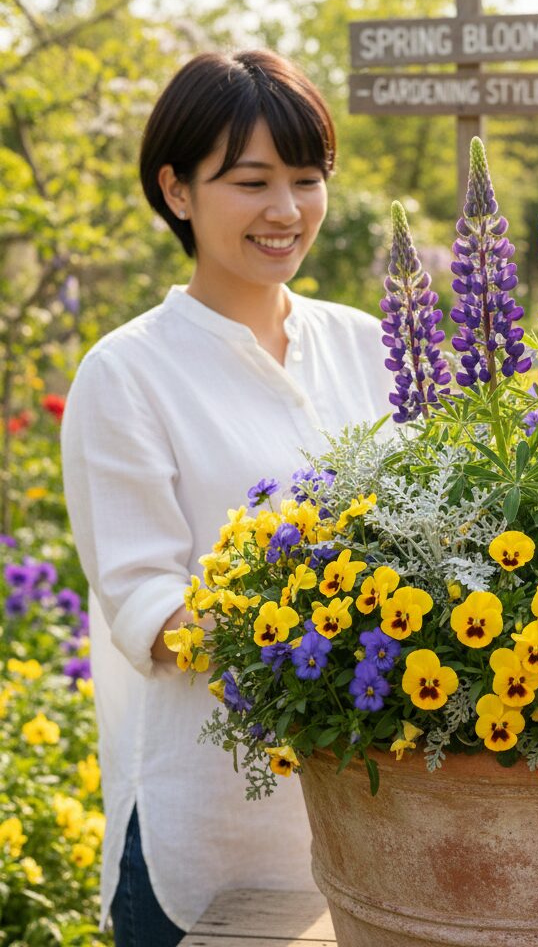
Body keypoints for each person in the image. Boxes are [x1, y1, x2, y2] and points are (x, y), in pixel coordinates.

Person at [61, 49, 392, 947]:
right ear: (177, 191)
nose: (286, 211)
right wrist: (327, 640)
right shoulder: (127, 372)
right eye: (251, 182)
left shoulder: (370, 345)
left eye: (306, 178)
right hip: (207, 833)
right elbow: (146, 604)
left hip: (380, 835)